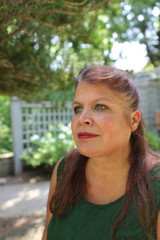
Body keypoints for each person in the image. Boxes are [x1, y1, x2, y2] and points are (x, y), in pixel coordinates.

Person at [42, 65, 160, 240]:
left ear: (133, 120)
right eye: (77, 108)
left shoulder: (156, 186)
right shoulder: (64, 169)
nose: (82, 119)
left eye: (100, 107)